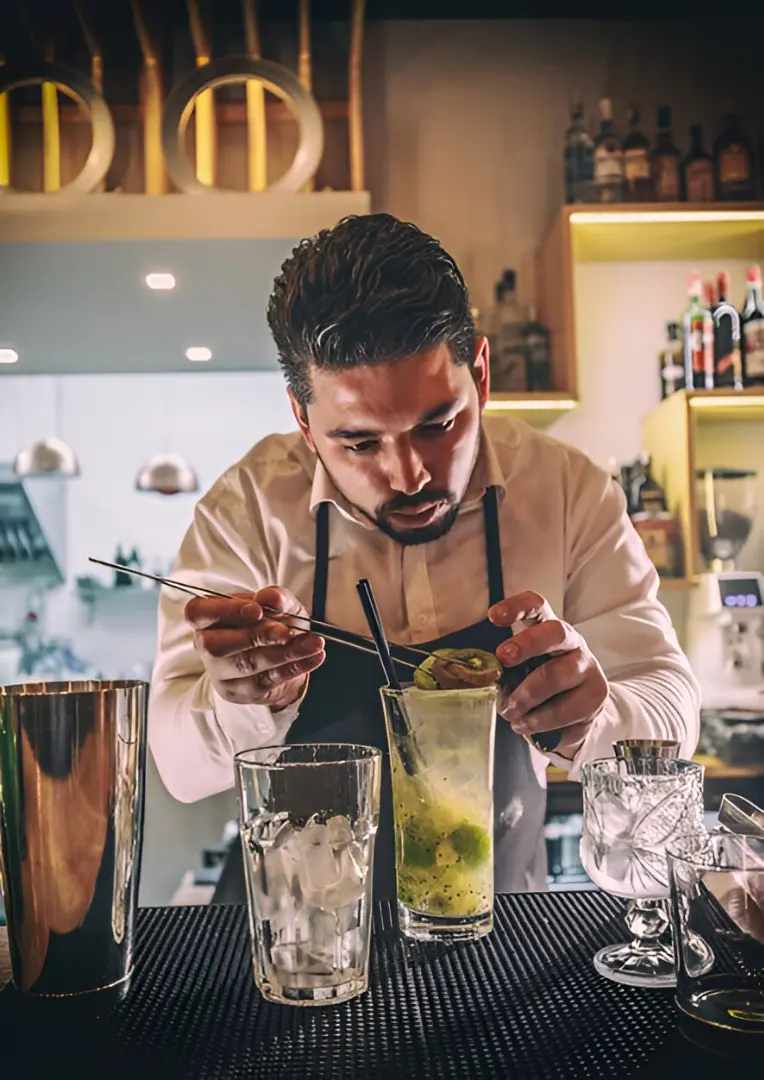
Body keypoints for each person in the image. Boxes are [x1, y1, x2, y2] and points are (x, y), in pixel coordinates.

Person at [148, 213, 700, 903]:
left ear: (483, 375)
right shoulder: (246, 511)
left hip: (501, 931)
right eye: (358, 442)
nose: (408, 474)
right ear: (301, 418)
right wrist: (242, 699)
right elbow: (178, 768)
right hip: (296, 941)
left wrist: (598, 715)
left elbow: (673, 713)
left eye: (438, 425)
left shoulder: (566, 492)